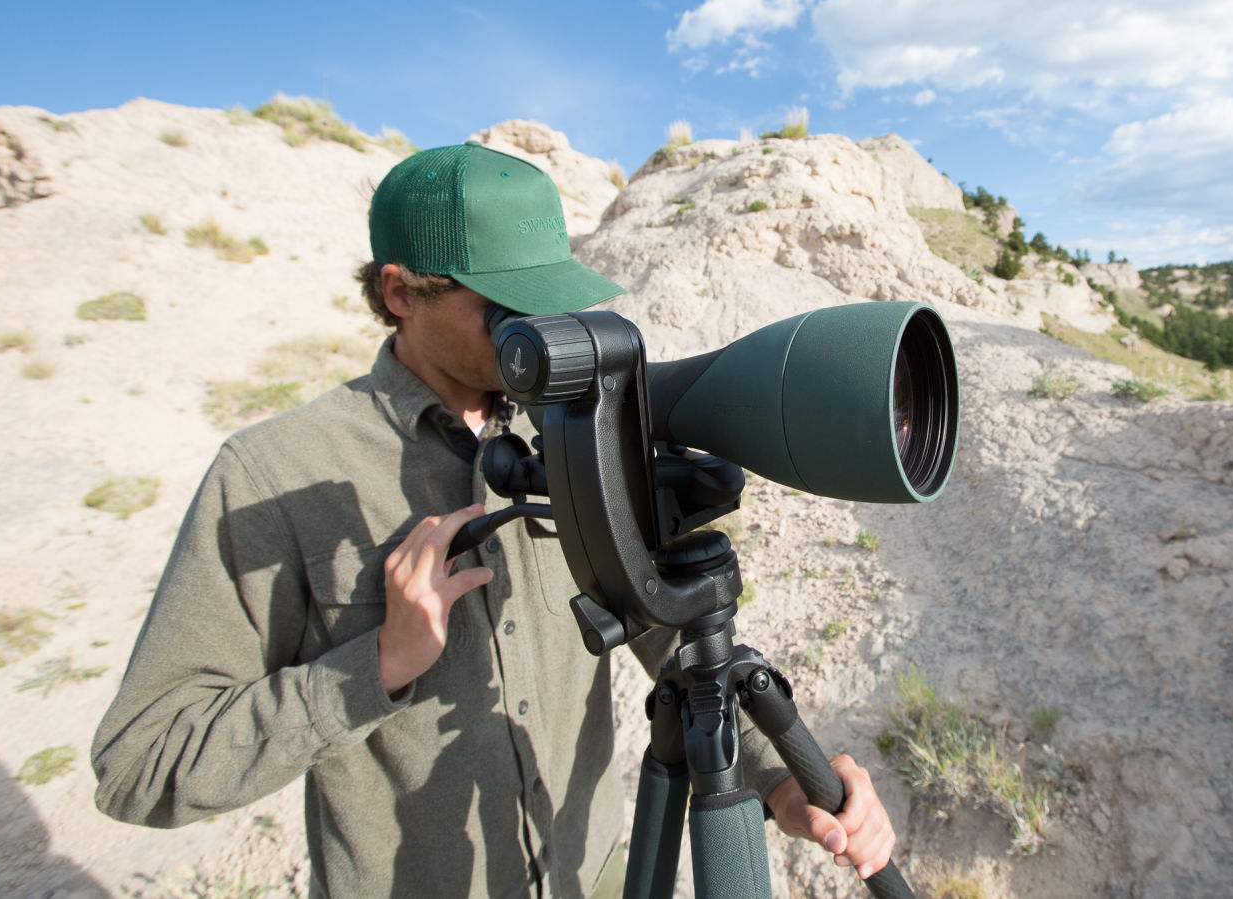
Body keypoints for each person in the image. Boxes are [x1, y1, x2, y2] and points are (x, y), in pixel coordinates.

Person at [92, 141, 897, 897]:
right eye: (505, 303)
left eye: (547, 293)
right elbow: (142, 761)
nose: (541, 325)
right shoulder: (272, 473)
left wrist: (784, 779)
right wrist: (374, 663)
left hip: (596, 872)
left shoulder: (573, 425)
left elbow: (666, 628)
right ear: (399, 292)